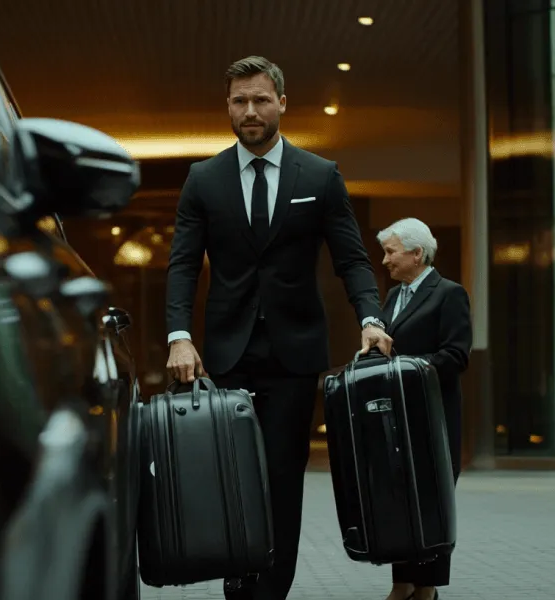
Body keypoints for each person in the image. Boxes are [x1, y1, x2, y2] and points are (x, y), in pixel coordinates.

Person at [165, 55, 392, 600]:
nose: (250, 110)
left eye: (260, 99)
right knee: (232, 478)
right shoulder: (204, 179)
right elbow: (181, 264)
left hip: (294, 357)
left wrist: (370, 318)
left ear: (282, 103)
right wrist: (179, 335)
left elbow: (353, 260)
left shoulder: (319, 176)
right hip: (226, 354)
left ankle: (269, 591)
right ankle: (239, 580)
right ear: (227, 106)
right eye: (240, 100)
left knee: (282, 482)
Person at [376, 218, 472, 600]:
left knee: (434, 504)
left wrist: (406, 368)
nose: (384, 261)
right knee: (401, 502)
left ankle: (427, 588)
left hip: (434, 419)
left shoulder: (449, 294)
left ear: (417, 254)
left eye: (390, 252)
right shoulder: (392, 296)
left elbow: (456, 355)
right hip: (399, 418)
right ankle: (402, 584)